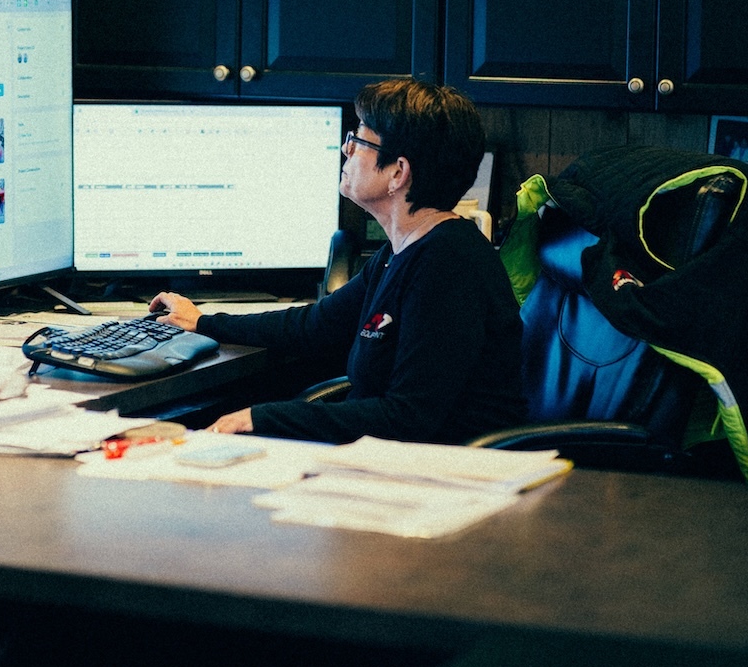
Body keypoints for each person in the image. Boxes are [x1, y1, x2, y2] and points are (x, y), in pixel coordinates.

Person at [150, 77, 526, 445]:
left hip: (447, 468)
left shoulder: (448, 264)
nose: (347, 150)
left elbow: (408, 418)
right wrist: (204, 322)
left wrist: (258, 418)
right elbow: (314, 325)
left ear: (398, 172)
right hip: (392, 455)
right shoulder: (400, 251)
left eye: (359, 140)